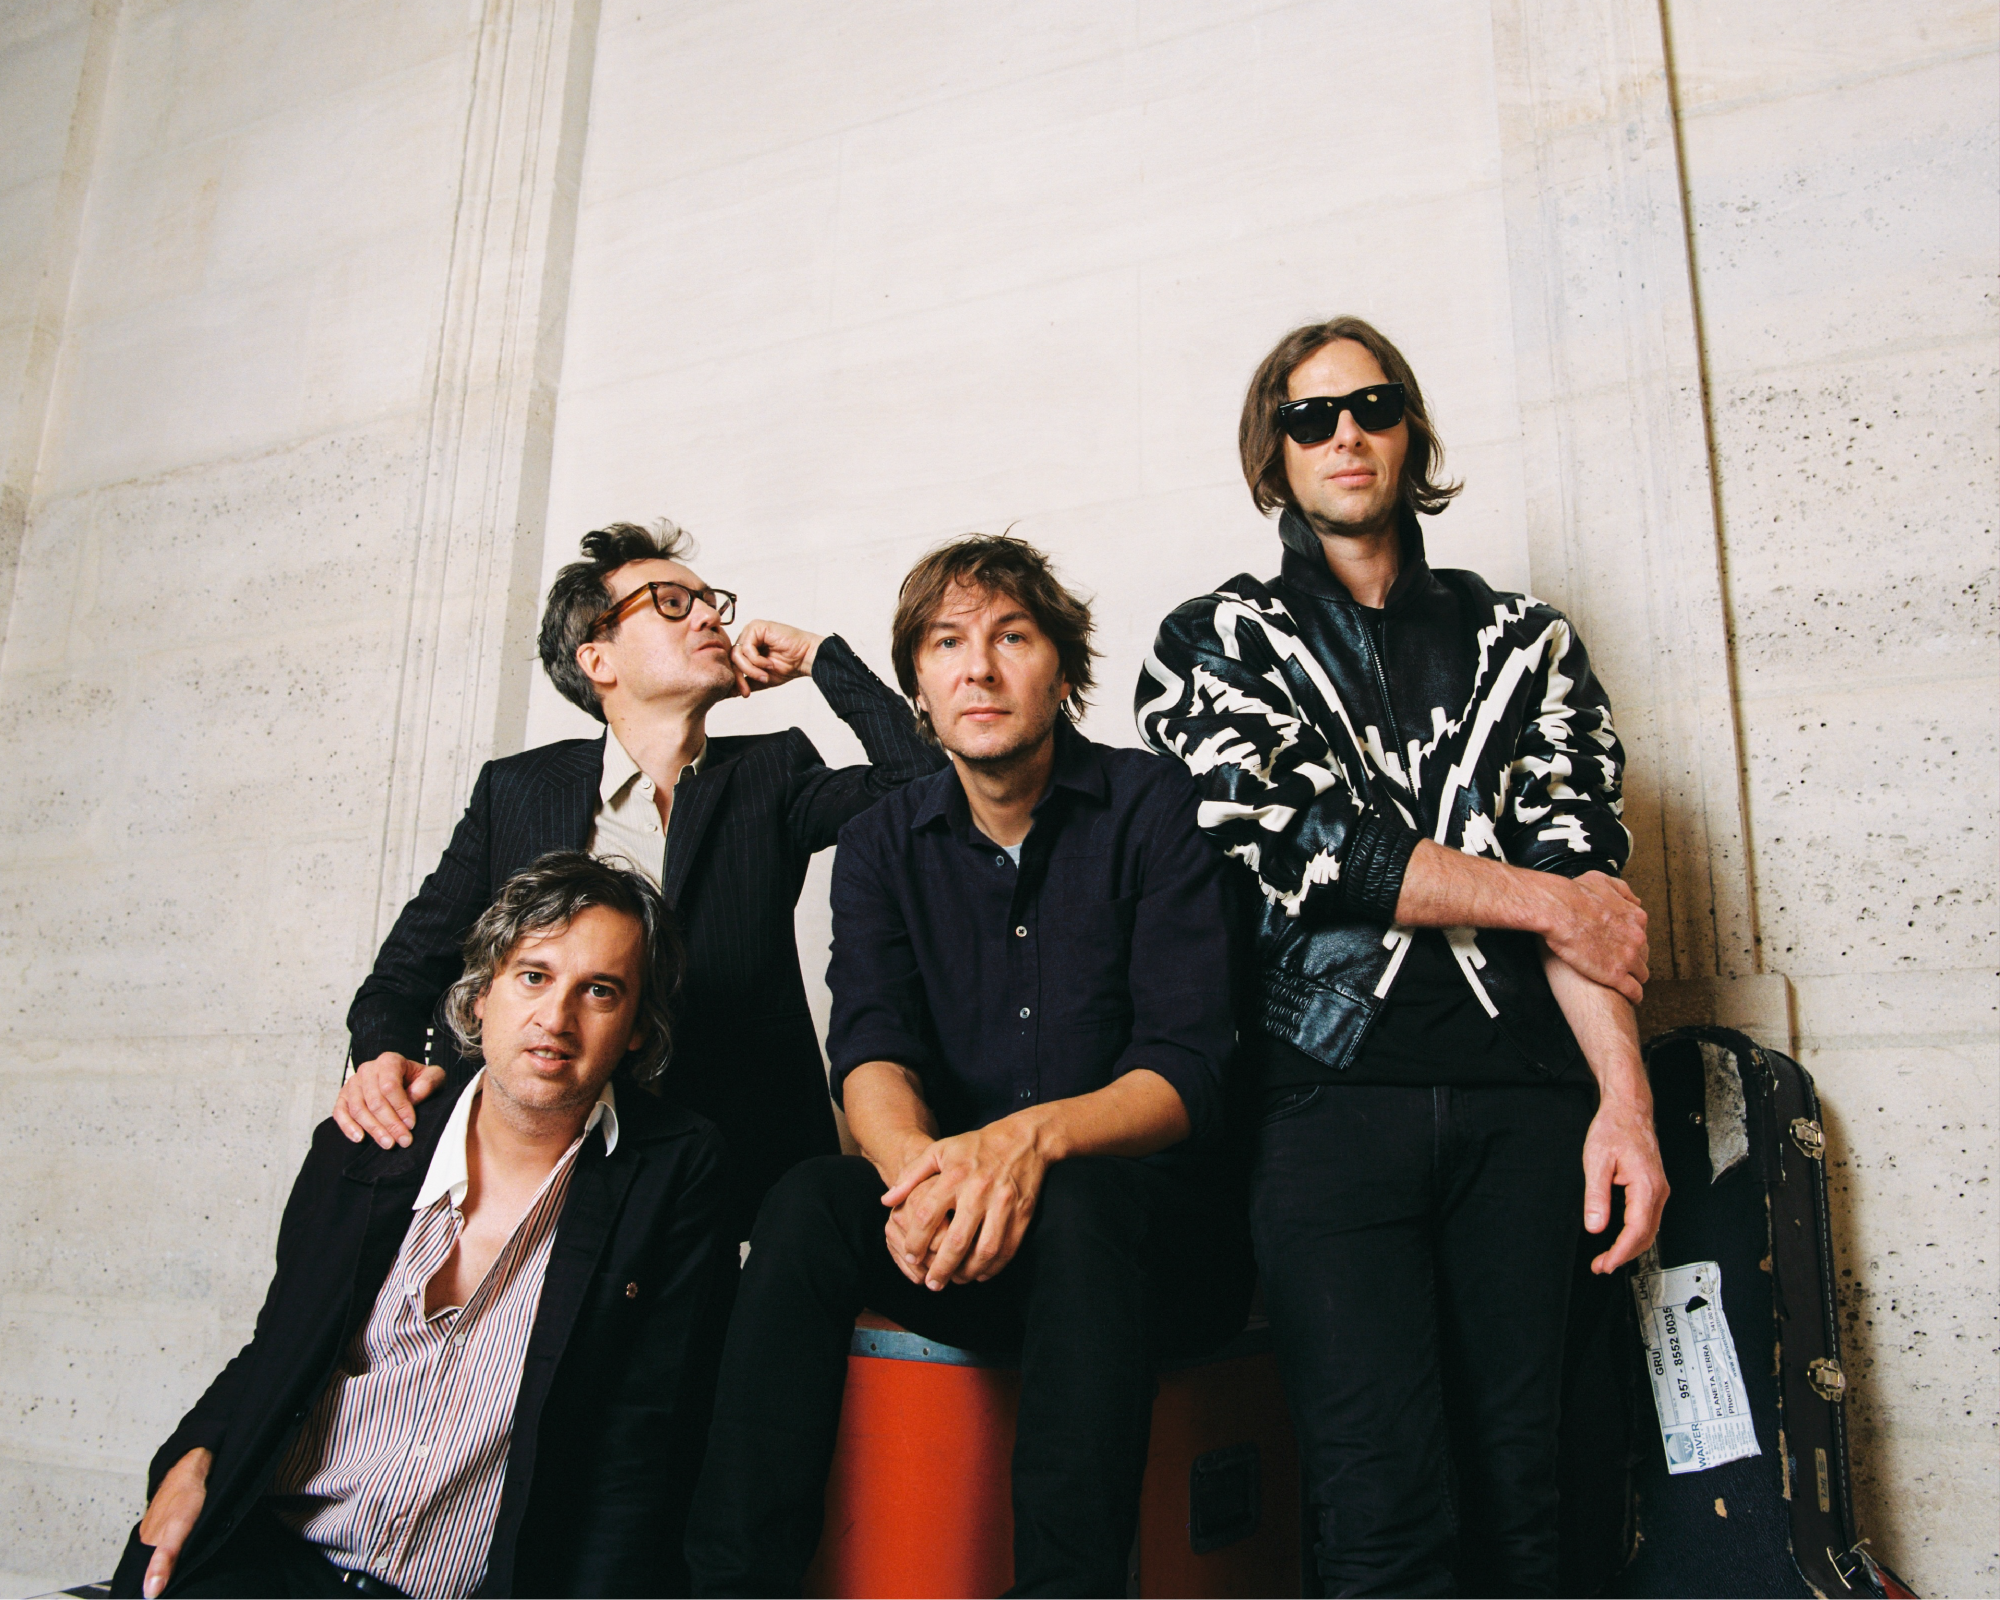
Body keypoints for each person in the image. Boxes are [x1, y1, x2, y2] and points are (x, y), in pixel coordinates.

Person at [1137, 317, 1669, 1596]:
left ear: (1409, 431)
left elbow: (1589, 892)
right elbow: (1306, 847)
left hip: (1525, 1109)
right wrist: (1538, 901)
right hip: (1324, 1104)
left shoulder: (1526, 641)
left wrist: (1624, 1104)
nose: (1345, 435)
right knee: (1379, 1512)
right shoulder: (1216, 640)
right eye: (1309, 416)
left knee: (1529, 1505)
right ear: (1273, 453)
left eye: (1371, 406)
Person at [684, 537, 1254, 1599]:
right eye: (946, 644)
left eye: (1011, 637)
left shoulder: (1154, 805)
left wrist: (1021, 1146)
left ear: (1063, 669)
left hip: (1148, 1251)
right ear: (917, 687)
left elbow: (1187, 1071)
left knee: (1081, 1201)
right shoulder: (880, 842)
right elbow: (870, 1047)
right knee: (808, 1199)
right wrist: (915, 1175)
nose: (978, 669)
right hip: (960, 1237)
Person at [112, 853, 726, 1598]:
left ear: (635, 1027)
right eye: (533, 976)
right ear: (481, 995)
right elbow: (277, 1347)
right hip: (272, 1556)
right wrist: (194, 1456)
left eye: (599, 990)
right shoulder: (371, 1140)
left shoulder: (670, 1177)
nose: (555, 1019)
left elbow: (641, 1447)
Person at [337, 521, 942, 1237]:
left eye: (711, 602)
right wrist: (381, 1058)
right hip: (545, 1168)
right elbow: (407, 968)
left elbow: (923, 784)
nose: (711, 617)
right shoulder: (518, 791)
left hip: (738, 1164)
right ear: (597, 658)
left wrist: (820, 658)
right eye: (672, 603)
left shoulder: (771, 771)